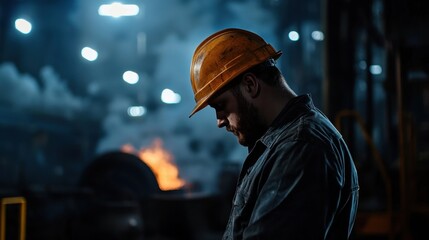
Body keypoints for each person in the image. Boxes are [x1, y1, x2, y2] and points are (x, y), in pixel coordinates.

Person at [188, 28, 359, 239]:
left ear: (250, 85)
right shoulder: (284, 141)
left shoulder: (299, 147)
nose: (219, 121)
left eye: (221, 105)